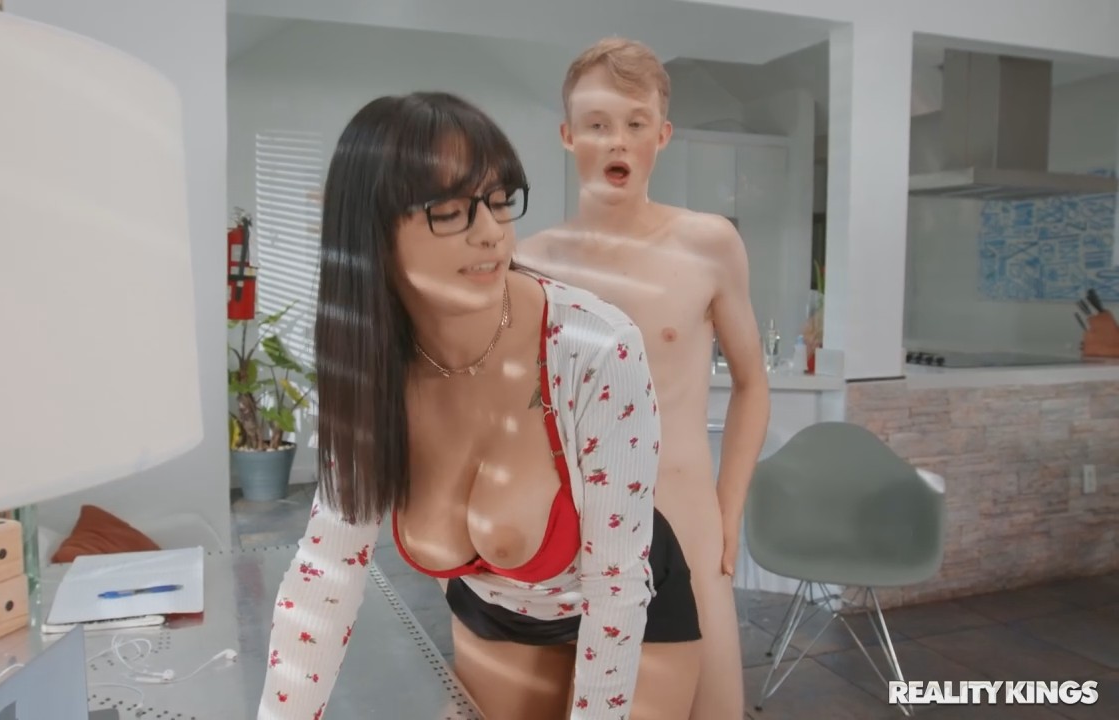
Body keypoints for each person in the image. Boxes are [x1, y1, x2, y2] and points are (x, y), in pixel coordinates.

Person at [257, 91, 702, 720]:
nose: (491, 230)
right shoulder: (369, 366)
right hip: (496, 617)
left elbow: (616, 585)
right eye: (449, 210)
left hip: (630, 610)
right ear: (372, 231)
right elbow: (327, 571)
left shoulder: (594, 345)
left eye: (498, 200)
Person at [515, 37, 771, 720]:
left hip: (686, 523)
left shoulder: (709, 245)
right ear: (569, 136)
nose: (616, 140)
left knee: (714, 709)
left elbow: (752, 384)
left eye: (635, 123)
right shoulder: (528, 266)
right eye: (597, 124)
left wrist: (728, 511)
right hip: (576, 534)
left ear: (662, 134)